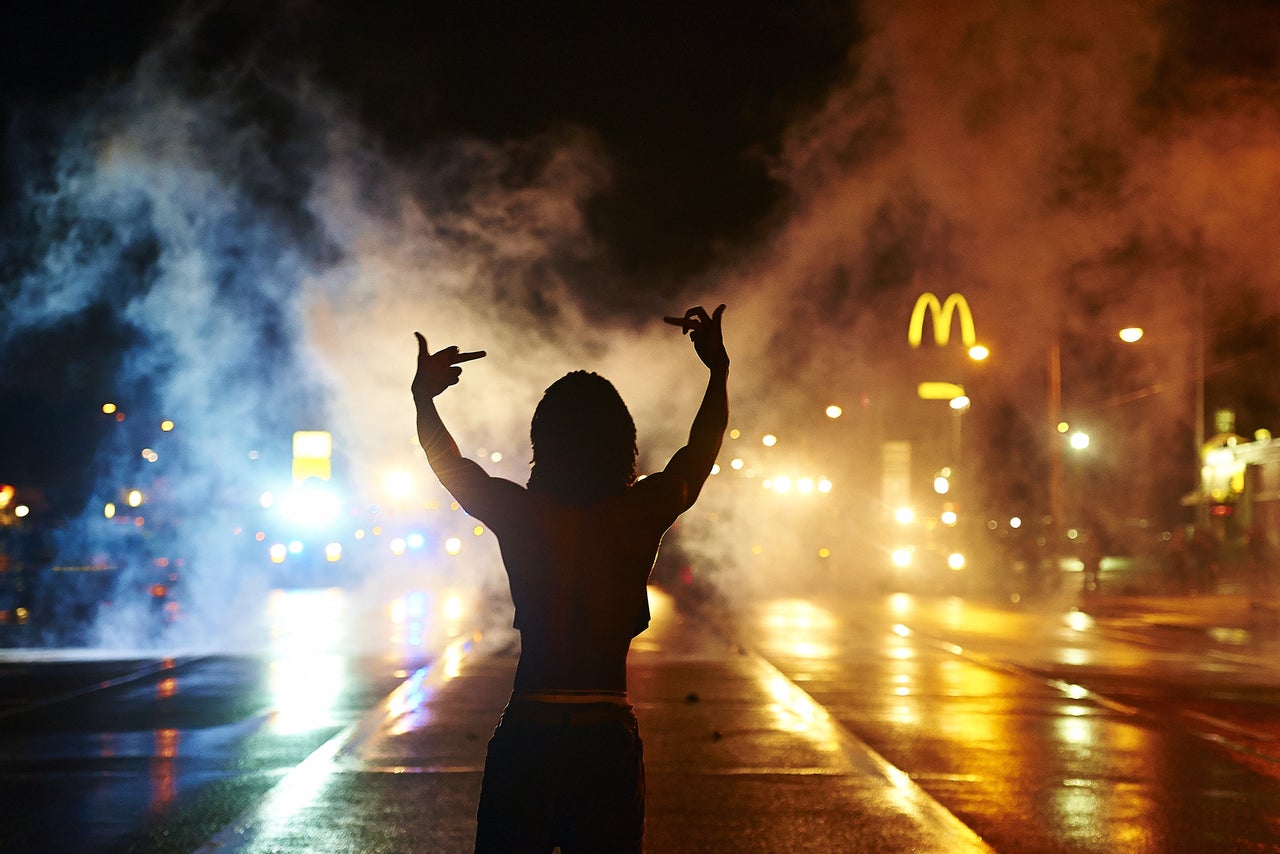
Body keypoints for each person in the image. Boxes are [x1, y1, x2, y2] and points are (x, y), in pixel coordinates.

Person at [412, 304, 729, 853]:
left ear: (543, 443)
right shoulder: (638, 513)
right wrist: (717, 373)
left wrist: (424, 400)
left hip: (529, 731)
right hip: (605, 737)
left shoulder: (523, 514)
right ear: (622, 441)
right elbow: (698, 455)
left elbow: (452, 469)